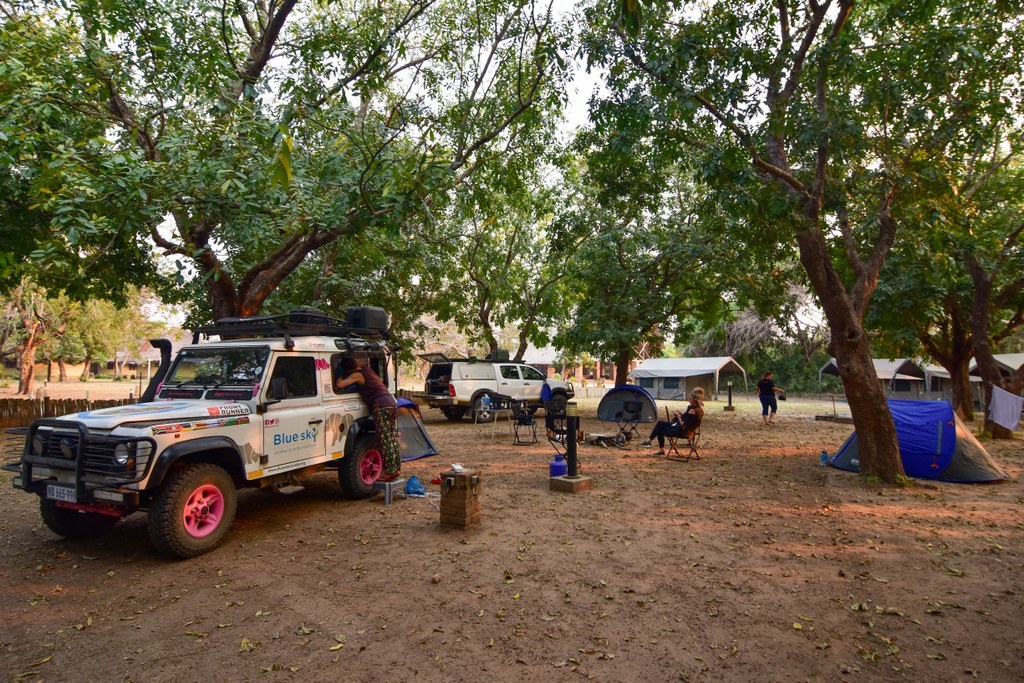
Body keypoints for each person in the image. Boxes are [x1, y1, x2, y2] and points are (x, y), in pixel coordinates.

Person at [335, 354, 401, 482]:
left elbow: (340, 385)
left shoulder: (357, 374)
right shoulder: (369, 371)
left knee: (384, 439)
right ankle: (396, 468)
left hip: (380, 406)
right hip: (391, 404)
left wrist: (339, 376)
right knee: (392, 438)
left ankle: (390, 472)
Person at [640, 388, 705, 456]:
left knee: (660, 429)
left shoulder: (693, 411)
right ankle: (649, 442)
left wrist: (678, 416)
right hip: (687, 431)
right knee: (660, 424)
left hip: (682, 432)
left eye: (690, 399)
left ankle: (656, 447)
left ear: (695, 401)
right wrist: (681, 414)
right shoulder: (698, 409)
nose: (689, 400)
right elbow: (687, 420)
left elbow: (683, 423)